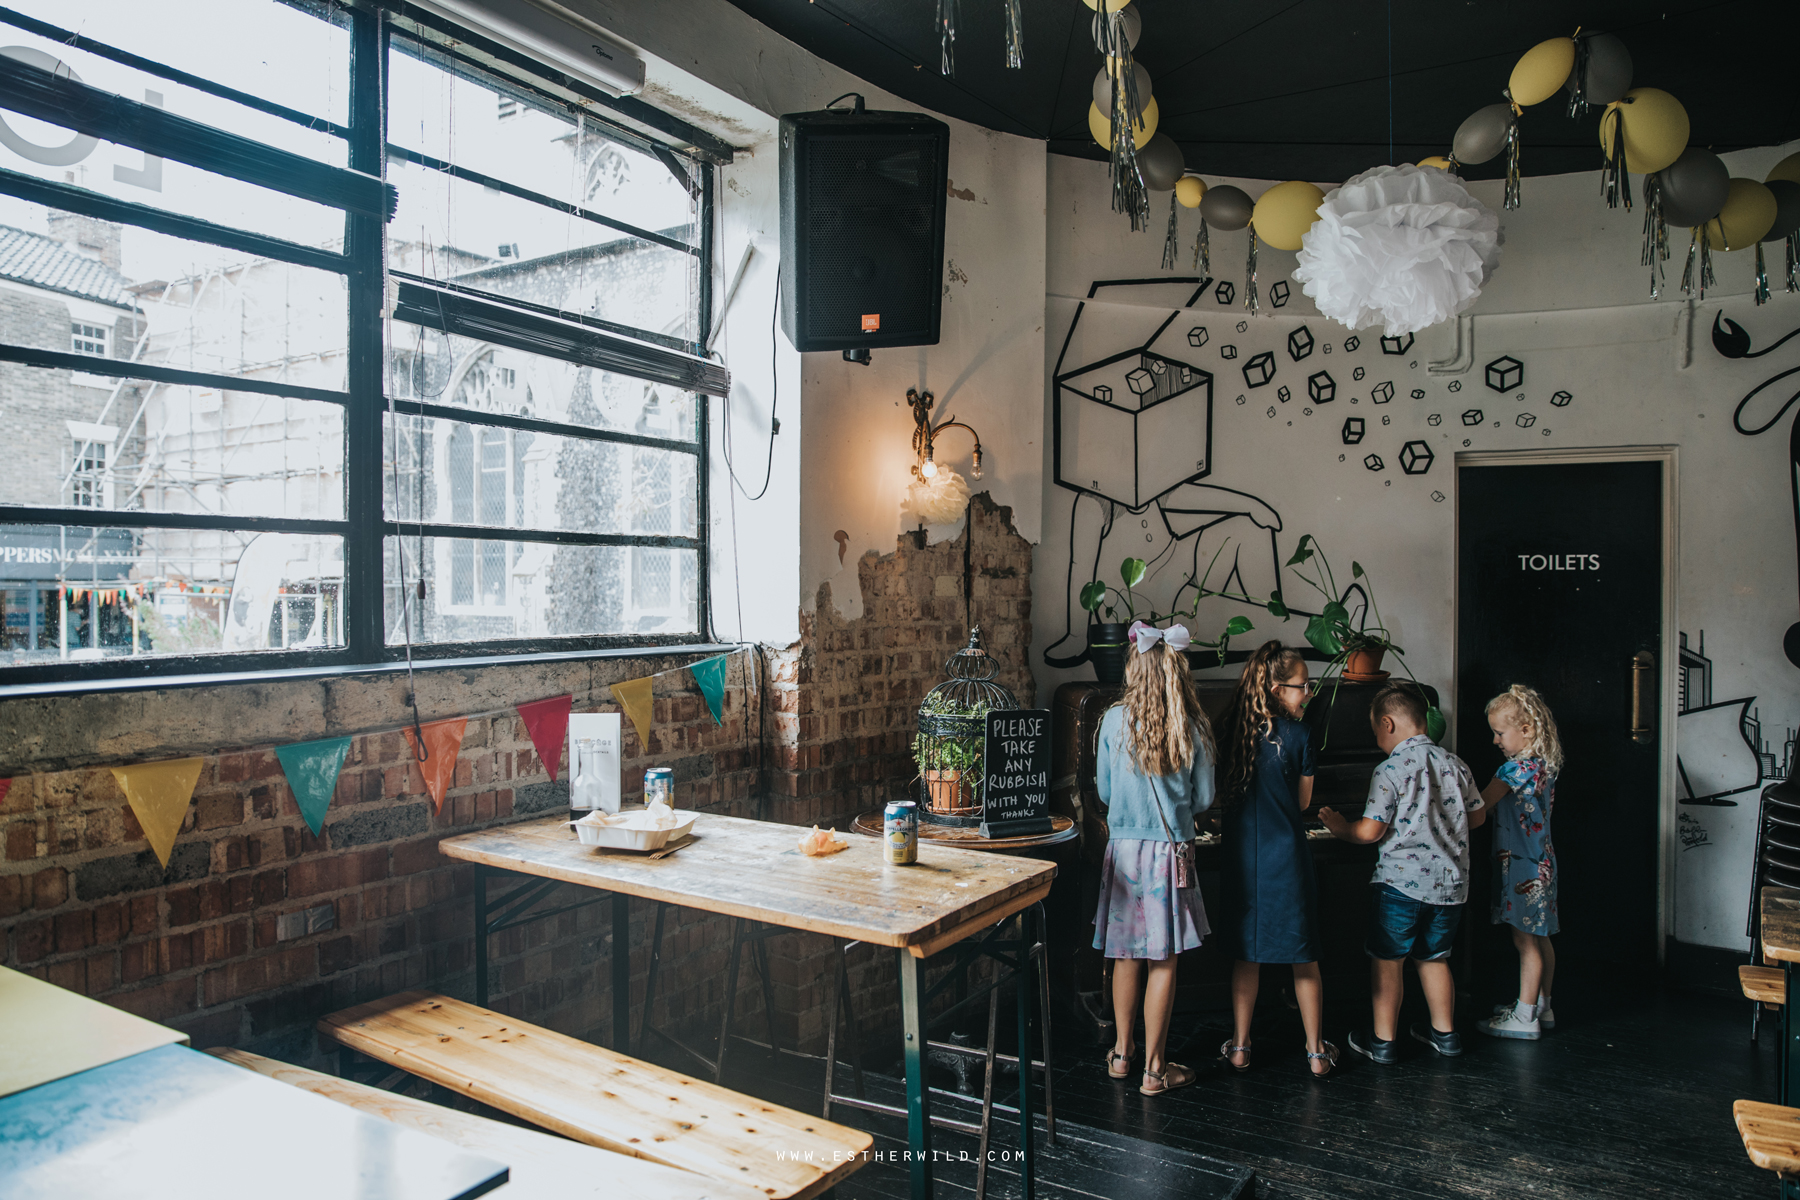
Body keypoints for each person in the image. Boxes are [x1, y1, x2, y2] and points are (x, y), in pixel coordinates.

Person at [1319, 682, 1483, 1064]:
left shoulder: (1390, 769)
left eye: (1376, 731)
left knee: (1388, 960)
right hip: (1451, 887)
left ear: (1388, 724)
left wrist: (1340, 826)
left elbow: (1369, 831)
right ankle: (1446, 1034)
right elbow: (1476, 818)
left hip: (1400, 887)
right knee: (1435, 957)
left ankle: (1384, 1042)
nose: (1376, 740)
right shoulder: (1456, 764)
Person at [1094, 620, 1218, 1096]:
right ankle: (1155, 1069)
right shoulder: (1190, 724)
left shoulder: (1111, 721)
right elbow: (1204, 797)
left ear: (1133, 668)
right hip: (1170, 855)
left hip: (1124, 852)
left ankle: (1122, 1056)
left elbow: (1105, 792)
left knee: (1125, 956)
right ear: (1176, 669)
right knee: (1162, 960)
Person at [1217, 641, 1336, 1077]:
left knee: (1246, 954)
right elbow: (1302, 803)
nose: (1307, 693)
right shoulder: (1302, 736)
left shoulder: (1229, 729)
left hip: (1242, 858)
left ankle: (1241, 1047)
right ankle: (1316, 1051)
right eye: (1300, 686)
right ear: (1274, 687)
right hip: (1286, 858)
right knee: (1303, 955)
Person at [1475, 684, 1563, 1040]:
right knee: (1539, 938)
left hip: (1521, 866)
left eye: (1500, 732)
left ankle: (1524, 1017)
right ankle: (1542, 1006)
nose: (1496, 741)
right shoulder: (1541, 765)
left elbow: (1479, 809)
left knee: (1525, 941)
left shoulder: (1511, 771)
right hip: (1541, 861)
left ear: (1525, 730)